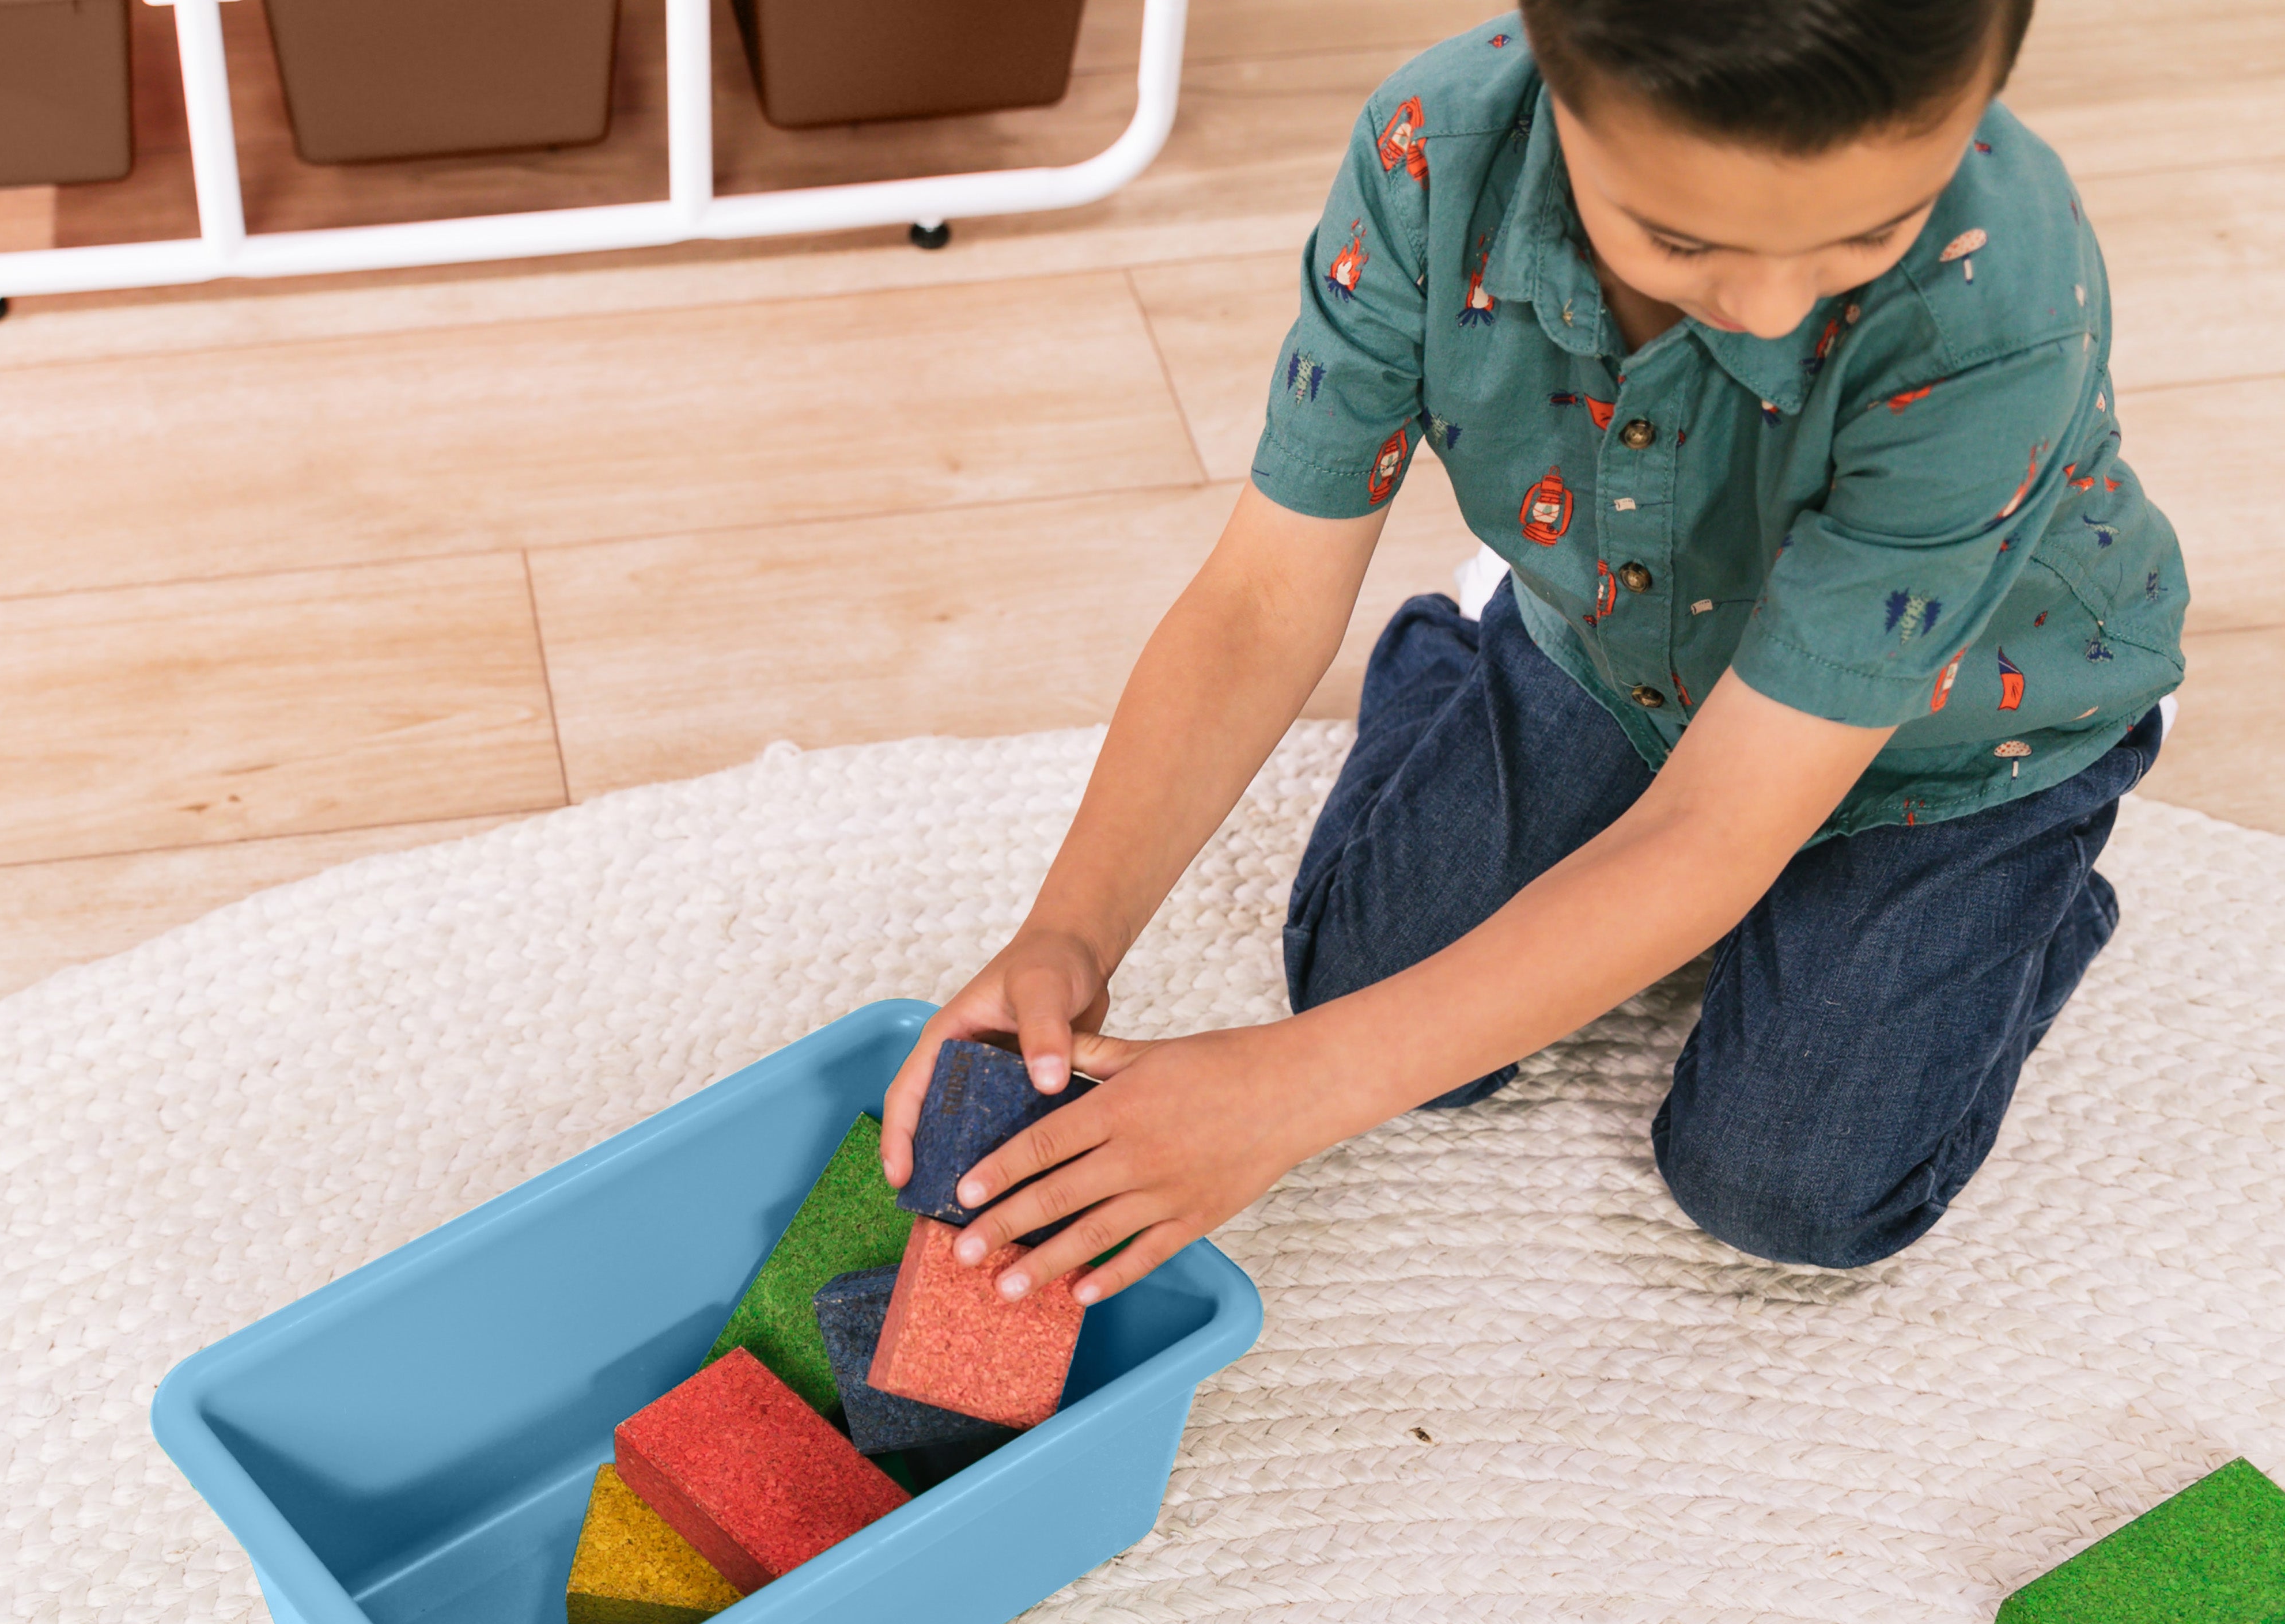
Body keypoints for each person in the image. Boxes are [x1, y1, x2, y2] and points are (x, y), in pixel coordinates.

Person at [879, 0, 2185, 1301]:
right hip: (1618, 652)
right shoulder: (1432, 149)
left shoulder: (2000, 307)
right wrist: (1070, 930)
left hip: (1962, 748)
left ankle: (2030, 889)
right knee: (1360, 988)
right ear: (1560, 83)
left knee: (1786, 1190)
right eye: (1682, 238)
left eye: (1869, 232)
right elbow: (1262, 597)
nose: (1768, 308)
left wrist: (1286, 1096)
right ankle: (1462, 646)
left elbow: (1715, 829)